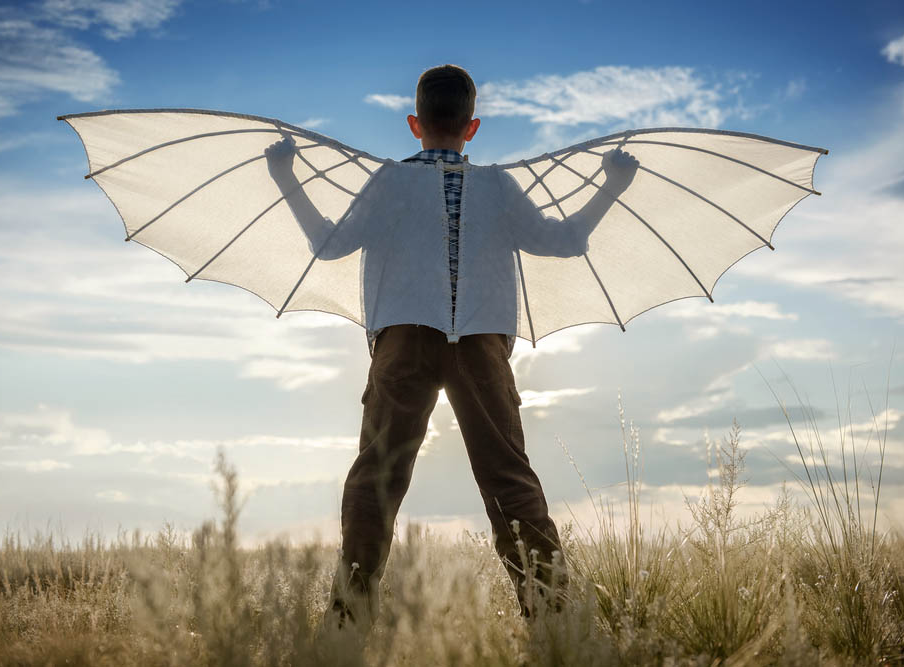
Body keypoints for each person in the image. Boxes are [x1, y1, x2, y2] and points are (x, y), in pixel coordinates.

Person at [265, 64, 638, 634]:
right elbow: (564, 242)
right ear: (474, 127)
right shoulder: (497, 186)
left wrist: (285, 176)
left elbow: (328, 244)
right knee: (508, 476)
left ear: (415, 124)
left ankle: (347, 620)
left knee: (376, 477)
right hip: (483, 343)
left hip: (403, 339)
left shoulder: (388, 181)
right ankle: (554, 618)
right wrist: (612, 185)